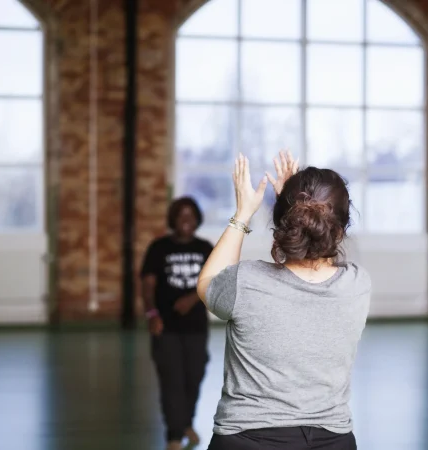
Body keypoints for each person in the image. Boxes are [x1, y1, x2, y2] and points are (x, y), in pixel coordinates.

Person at [196, 151, 371, 450]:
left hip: (246, 439)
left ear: (282, 222)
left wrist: (242, 215)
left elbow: (206, 284)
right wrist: (293, 210)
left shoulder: (246, 281)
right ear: (340, 231)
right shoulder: (357, 284)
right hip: (333, 440)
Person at [140, 196, 214, 450]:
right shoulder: (159, 248)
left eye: (191, 215)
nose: (186, 220)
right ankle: (173, 436)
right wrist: (152, 314)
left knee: (193, 377)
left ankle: (186, 423)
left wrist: (192, 298)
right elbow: (148, 286)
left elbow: (214, 280)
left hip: (196, 328)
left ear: (197, 220)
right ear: (173, 219)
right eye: (181, 215)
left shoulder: (205, 248)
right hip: (165, 326)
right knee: (171, 381)